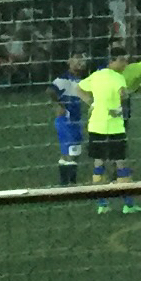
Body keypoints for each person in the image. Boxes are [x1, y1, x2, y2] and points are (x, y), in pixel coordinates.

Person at [76, 45, 141, 211]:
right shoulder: (118, 78)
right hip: (114, 128)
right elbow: (123, 95)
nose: (125, 64)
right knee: (121, 164)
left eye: (126, 61)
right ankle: (128, 204)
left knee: (98, 164)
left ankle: (102, 205)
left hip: (96, 126)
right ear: (112, 61)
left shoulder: (96, 75)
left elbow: (78, 88)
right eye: (122, 61)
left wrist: (91, 103)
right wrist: (122, 101)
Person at [51, 53, 91, 187]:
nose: (81, 62)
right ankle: (70, 183)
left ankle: (66, 183)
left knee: (73, 151)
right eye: (77, 59)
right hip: (66, 120)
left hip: (75, 120)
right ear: (69, 61)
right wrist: (59, 105)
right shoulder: (64, 78)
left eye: (83, 60)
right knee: (71, 151)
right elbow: (50, 91)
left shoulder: (82, 79)